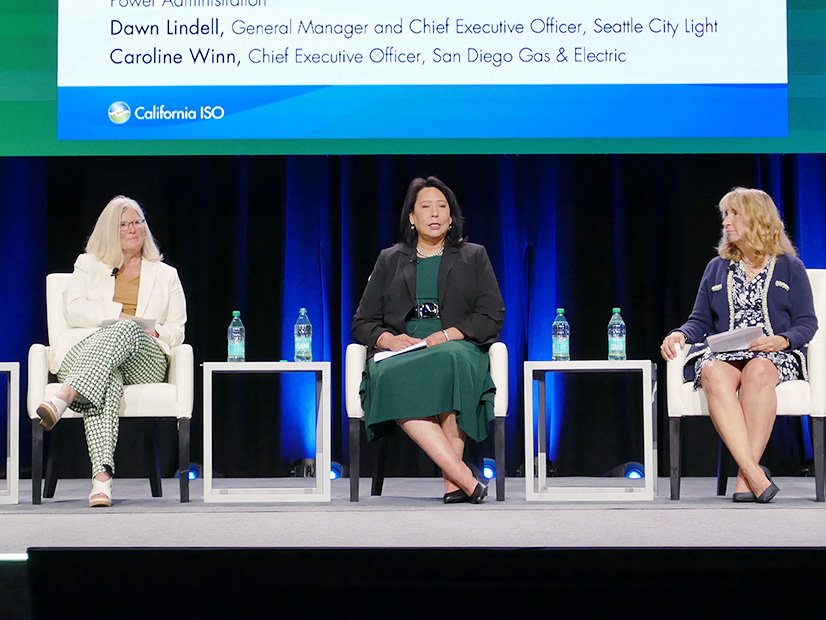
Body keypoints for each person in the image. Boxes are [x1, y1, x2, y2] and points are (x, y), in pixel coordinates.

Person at [352, 176, 505, 504]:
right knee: (390, 374)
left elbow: (492, 314)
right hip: (403, 352)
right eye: (425, 207)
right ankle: (463, 477)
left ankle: (455, 484)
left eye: (442, 207)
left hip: (456, 344)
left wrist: (449, 334)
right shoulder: (389, 259)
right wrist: (389, 341)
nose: (434, 213)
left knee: (454, 360)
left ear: (451, 218)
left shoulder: (473, 256)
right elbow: (363, 323)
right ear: (412, 216)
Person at [661, 187, 817, 503]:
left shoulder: (790, 267)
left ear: (757, 219)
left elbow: (807, 324)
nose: (727, 222)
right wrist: (680, 334)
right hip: (724, 351)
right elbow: (700, 322)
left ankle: (745, 479)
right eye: (725, 215)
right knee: (713, 373)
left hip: (771, 353)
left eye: (734, 214)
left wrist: (783, 340)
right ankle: (754, 474)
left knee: (758, 372)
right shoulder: (716, 267)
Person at [36, 196, 187, 507]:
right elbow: (75, 310)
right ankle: (102, 479)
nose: (133, 229)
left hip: (144, 358)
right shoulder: (88, 265)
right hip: (90, 354)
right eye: (124, 224)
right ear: (109, 230)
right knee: (108, 375)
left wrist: (149, 329)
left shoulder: (166, 274)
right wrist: (120, 316)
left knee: (127, 329)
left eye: (137, 222)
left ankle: (64, 395)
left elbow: (178, 329)